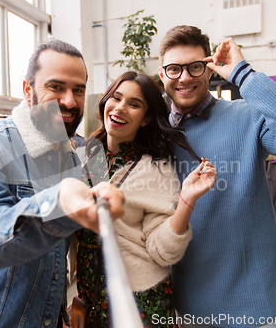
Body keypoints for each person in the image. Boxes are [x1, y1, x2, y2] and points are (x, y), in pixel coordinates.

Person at [0, 40, 125, 328]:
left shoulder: (75, 154)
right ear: (28, 90)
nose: (69, 101)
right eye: (56, 87)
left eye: (78, 89)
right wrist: (56, 204)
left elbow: (54, 257)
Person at [157, 25, 276, 328]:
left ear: (209, 69)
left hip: (257, 305)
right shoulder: (157, 137)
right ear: (162, 75)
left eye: (195, 67)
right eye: (174, 69)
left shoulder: (246, 115)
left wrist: (243, 74)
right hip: (187, 309)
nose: (184, 77)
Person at [74, 71, 217, 328]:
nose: (120, 108)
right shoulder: (84, 156)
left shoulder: (154, 169)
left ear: (147, 118)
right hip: (91, 295)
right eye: (116, 98)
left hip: (140, 298)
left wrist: (186, 200)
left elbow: (162, 252)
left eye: (134, 104)